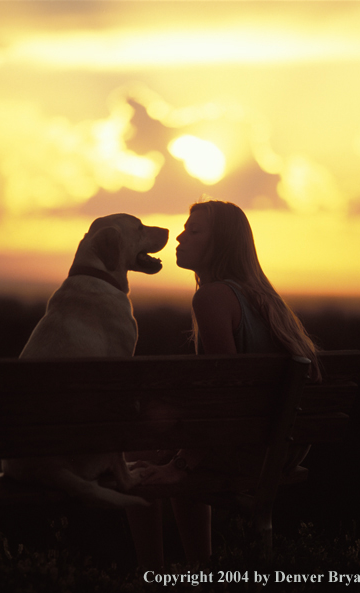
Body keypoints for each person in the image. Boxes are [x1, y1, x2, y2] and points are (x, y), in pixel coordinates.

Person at [126, 198, 320, 568]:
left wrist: (181, 465)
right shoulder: (266, 298)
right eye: (185, 228)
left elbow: (226, 399)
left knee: (140, 457)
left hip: (252, 452)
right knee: (174, 444)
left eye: (194, 231)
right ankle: (202, 570)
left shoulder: (213, 297)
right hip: (283, 449)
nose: (180, 237)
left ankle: (148, 576)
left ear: (223, 244)